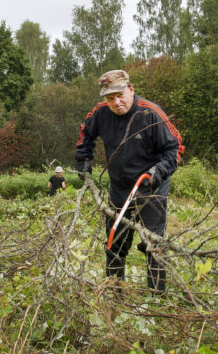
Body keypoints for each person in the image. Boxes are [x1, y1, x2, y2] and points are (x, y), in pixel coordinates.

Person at [75, 69, 184, 294]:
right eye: (110, 97)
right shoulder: (100, 113)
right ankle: (114, 294)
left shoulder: (150, 114)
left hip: (150, 187)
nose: (116, 102)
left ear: (131, 89)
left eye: (120, 95)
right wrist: (83, 160)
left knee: (154, 246)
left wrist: (159, 171)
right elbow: (85, 133)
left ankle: (156, 297)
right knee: (114, 243)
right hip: (120, 189)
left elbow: (175, 148)